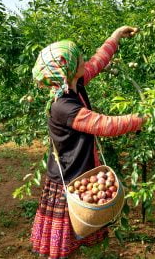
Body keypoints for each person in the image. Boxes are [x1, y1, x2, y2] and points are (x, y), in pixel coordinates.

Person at [30, 26, 146, 259]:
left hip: (81, 170)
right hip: (70, 176)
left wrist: (116, 36)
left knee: (79, 232)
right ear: (69, 68)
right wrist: (143, 119)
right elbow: (103, 125)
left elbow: (98, 61)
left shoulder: (75, 83)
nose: (84, 59)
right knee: (67, 240)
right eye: (79, 57)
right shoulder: (64, 106)